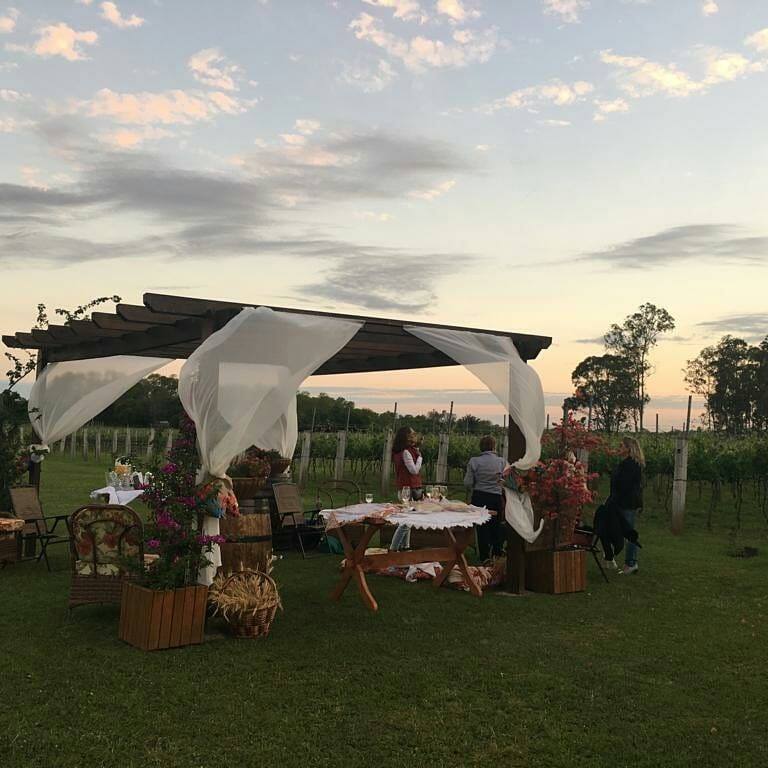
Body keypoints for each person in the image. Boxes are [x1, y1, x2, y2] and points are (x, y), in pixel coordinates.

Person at [464, 435, 507, 562]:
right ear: (494, 446)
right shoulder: (502, 462)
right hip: (496, 498)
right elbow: (506, 481)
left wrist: (477, 482)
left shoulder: (474, 461)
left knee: (482, 527)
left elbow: (467, 482)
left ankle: (484, 557)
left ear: (481, 447)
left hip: (479, 497)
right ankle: (497, 553)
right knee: (496, 525)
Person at [609, 436, 644, 574]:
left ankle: (631, 562)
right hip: (621, 501)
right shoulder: (625, 464)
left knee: (629, 533)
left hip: (626, 503)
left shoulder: (631, 465)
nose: (619, 448)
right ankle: (614, 559)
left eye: (621, 446)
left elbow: (624, 486)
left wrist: (614, 500)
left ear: (629, 449)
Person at [390, 426, 423, 551]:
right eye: (413, 433)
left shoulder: (400, 451)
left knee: (408, 520)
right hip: (409, 490)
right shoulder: (406, 452)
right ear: (407, 437)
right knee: (406, 522)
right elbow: (414, 470)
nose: (415, 435)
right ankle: (393, 548)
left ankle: (405, 547)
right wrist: (420, 458)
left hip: (404, 489)